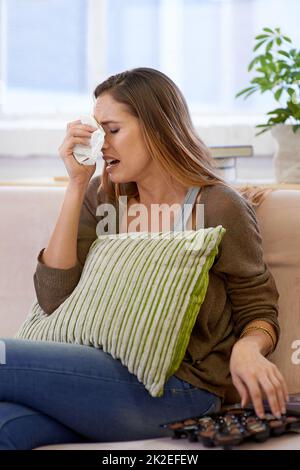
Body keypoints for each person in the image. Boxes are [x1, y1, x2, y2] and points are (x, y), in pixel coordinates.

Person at [0, 67, 288, 450]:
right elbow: (54, 297)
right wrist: (76, 185)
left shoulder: (217, 205)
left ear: (155, 126)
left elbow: (259, 309)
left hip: (178, 389)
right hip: (95, 377)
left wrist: (247, 349)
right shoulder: (104, 199)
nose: (102, 144)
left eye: (113, 130)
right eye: (98, 131)